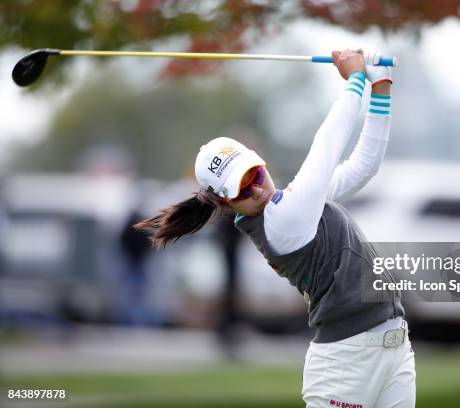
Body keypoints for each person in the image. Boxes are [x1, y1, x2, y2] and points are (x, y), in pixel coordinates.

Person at [135, 49, 416, 407]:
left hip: (393, 345)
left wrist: (380, 88)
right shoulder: (282, 220)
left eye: (254, 172)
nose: (256, 187)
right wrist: (356, 81)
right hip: (346, 364)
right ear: (225, 203)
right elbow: (327, 146)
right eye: (241, 187)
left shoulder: (299, 202)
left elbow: (364, 165)